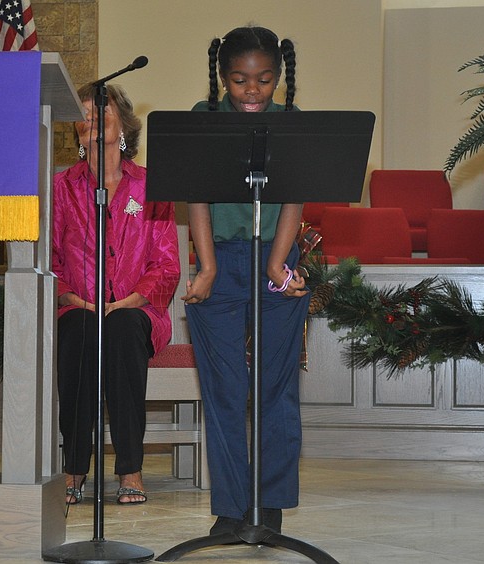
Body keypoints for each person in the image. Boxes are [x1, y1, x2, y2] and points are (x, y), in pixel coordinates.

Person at [181, 25, 310, 535]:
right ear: (222, 77)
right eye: (239, 81)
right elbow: (196, 198)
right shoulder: (203, 119)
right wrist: (207, 268)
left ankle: (270, 504)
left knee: (277, 388)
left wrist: (278, 264)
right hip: (222, 259)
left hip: (277, 256)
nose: (251, 91)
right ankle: (232, 508)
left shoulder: (291, 121)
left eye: (263, 80)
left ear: (278, 77)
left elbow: (295, 199)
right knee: (226, 391)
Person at [52, 83, 181, 509]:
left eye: (101, 110)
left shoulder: (150, 187)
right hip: (77, 307)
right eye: (83, 113)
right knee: (82, 328)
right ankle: (73, 467)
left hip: (136, 310)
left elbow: (166, 266)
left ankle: (130, 468)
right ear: (74, 130)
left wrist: (132, 300)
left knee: (123, 329)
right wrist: (72, 298)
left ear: (123, 123)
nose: (92, 118)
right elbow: (48, 260)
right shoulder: (60, 188)